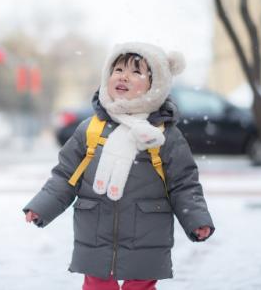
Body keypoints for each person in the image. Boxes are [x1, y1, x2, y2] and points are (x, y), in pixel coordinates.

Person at [23, 42, 215, 290]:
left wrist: (196, 219)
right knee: (97, 285)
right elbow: (65, 175)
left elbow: (183, 184)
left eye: (136, 72)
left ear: (154, 86)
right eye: (118, 69)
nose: (124, 76)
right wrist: (42, 206)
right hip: (95, 231)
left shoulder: (164, 135)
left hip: (147, 232)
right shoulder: (91, 129)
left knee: (140, 286)